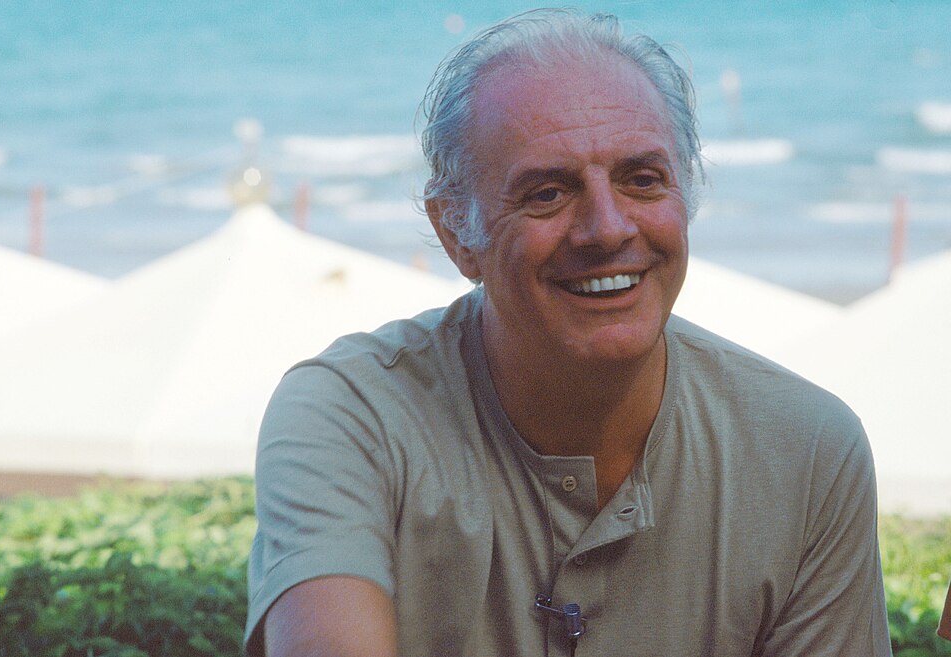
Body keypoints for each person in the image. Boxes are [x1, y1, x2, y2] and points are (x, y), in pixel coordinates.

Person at [245, 9, 892, 656]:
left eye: (642, 180)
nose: (607, 228)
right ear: (455, 233)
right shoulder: (354, 416)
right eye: (548, 193)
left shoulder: (807, 452)